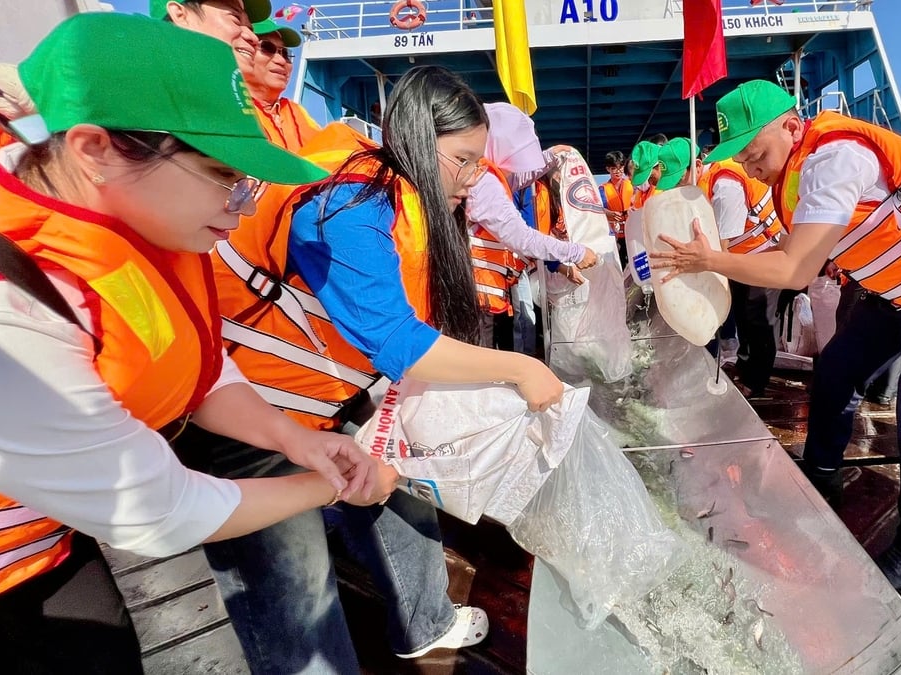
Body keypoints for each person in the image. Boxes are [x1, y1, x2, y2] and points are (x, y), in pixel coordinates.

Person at [0, 14, 382, 672]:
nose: (239, 212)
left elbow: (195, 357)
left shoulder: (130, 210)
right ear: (94, 148)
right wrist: (333, 487)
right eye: (222, 174)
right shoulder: (19, 299)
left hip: (55, 531)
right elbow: (159, 511)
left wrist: (292, 438)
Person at [180, 66, 565, 671]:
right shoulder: (346, 206)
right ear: (416, 138)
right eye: (463, 160)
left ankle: (426, 622)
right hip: (253, 419)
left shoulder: (399, 194)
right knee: (296, 586)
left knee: (403, 499)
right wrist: (518, 366)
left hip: (333, 401)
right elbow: (393, 337)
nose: (475, 177)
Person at [652, 80, 901, 597]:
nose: (749, 167)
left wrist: (708, 260)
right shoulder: (793, 176)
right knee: (836, 368)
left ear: (789, 124)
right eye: (741, 158)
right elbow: (792, 244)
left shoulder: (836, 154)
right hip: (900, 289)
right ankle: (823, 468)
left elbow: (797, 268)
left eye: (754, 153)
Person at [467, 102, 597, 348]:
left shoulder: (485, 175)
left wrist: (550, 156)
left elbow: (518, 177)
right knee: (478, 354)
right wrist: (575, 252)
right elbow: (522, 237)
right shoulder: (483, 183)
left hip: (478, 290)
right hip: (473, 292)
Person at [703, 151, 784, 398]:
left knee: (758, 321)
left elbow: (723, 242)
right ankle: (744, 366)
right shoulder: (710, 179)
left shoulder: (726, 184)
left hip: (764, 256)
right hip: (743, 260)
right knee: (743, 319)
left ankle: (755, 383)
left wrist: (711, 276)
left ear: (696, 166)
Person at [244, 17, 322, 149]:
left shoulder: (296, 112)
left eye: (285, 53)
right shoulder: (228, 105)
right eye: (267, 48)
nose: (281, 60)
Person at [601, 150, 633, 265]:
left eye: (620, 168)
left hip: (632, 231)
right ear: (608, 169)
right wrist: (609, 213)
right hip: (615, 235)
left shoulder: (633, 184)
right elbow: (599, 209)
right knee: (618, 265)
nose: (618, 171)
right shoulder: (602, 189)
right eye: (614, 168)